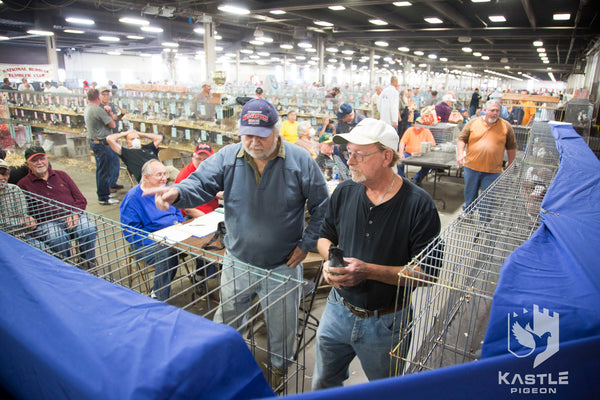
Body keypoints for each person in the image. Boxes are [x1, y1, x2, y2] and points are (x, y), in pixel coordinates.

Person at [145, 98, 329, 384]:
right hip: (237, 261)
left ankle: (279, 369)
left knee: (282, 328)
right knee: (228, 319)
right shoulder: (229, 156)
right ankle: (223, 360)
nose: (253, 142)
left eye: (260, 135)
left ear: (276, 131)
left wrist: (306, 244)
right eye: (247, 135)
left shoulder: (300, 161)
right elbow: (201, 183)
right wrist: (176, 193)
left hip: (281, 266)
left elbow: (322, 207)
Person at [312, 118, 441, 389]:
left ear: (386, 156)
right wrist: (329, 262)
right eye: (349, 153)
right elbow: (324, 237)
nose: (349, 162)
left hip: (385, 323)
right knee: (323, 382)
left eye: (359, 155)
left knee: (384, 390)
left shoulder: (419, 205)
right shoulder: (345, 191)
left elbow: (427, 273)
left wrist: (367, 270)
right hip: (337, 310)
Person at [17, 146, 97, 269]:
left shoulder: (62, 175)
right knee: (57, 237)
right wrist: (26, 218)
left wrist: (75, 213)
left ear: (47, 159)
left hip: (70, 216)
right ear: (27, 164)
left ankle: (88, 264)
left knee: (88, 228)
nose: (39, 163)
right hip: (45, 223)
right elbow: (21, 211)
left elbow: (80, 200)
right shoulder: (23, 184)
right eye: (34, 160)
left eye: (42, 158)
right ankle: (67, 268)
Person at [120, 159, 184, 301]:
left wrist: (180, 224)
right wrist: (154, 240)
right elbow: (131, 232)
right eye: (159, 175)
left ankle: (201, 279)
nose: (163, 178)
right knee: (167, 254)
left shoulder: (166, 189)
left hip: (174, 234)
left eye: (165, 174)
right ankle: (157, 296)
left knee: (202, 243)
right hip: (147, 243)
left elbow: (178, 212)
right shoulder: (133, 198)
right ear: (146, 177)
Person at [457, 100, 517, 210]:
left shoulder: (506, 126)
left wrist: (511, 163)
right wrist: (460, 154)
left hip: (492, 171)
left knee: (488, 199)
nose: (495, 113)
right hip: (472, 167)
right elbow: (462, 139)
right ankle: (468, 214)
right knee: (470, 194)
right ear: (485, 111)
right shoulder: (473, 123)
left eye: (497, 111)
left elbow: (511, 146)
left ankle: (484, 220)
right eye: (492, 110)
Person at [0, 159, 47, 251]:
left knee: (45, 250)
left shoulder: (14, 189)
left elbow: (23, 214)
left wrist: (28, 221)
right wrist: (22, 221)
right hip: (3, 241)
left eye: (4, 174)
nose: (1, 177)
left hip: (20, 236)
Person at [85, 88, 119, 205]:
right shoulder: (97, 110)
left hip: (96, 142)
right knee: (104, 172)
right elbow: (113, 124)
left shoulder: (88, 108)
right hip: (102, 144)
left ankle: (104, 193)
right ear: (98, 97)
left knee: (101, 170)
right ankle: (104, 197)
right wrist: (109, 113)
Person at [174, 143, 219, 218]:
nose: (202, 163)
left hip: (212, 210)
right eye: (199, 159)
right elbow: (188, 209)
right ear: (193, 157)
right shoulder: (186, 175)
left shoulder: (213, 169)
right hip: (194, 215)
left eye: (205, 159)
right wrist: (209, 220)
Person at [99, 86, 126, 192]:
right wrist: (112, 116)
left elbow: (116, 119)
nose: (106, 97)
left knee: (115, 161)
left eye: (107, 94)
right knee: (108, 163)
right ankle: (107, 186)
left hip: (114, 136)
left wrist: (122, 114)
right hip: (106, 138)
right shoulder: (99, 108)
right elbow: (110, 120)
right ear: (99, 96)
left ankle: (112, 183)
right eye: (103, 94)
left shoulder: (111, 105)